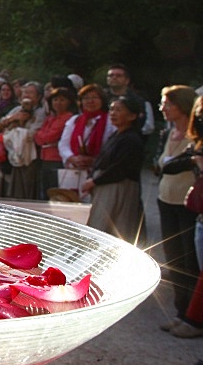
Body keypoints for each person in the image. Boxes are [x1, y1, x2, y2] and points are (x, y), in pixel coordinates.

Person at [154, 85, 200, 331]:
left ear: (181, 105)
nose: (163, 108)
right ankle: (181, 312)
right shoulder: (166, 133)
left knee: (190, 261)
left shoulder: (195, 137)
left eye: (167, 104)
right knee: (174, 259)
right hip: (166, 200)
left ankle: (194, 319)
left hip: (187, 204)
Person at [82, 96, 146, 245]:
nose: (113, 113)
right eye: (111, 109)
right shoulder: (116, 135)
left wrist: (95, 181)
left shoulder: (131, 139)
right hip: (106, 185)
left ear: (132, 116)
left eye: (118, 110)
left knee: (115, 230)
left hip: (119, 187)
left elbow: (121, 167)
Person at [59, 84, 116, 184]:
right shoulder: (75, 120)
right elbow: (63, 144)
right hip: (76, 170)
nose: (90, 101)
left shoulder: (110, 120)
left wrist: (94, 160)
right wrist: (73, 158)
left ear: (102, 100)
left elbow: (113, 146)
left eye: (95, 97)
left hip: (100, 171)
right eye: (86, 98)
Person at [0, 82, 45, 200]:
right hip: (11, 151)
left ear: (38, 96)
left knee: (25, 187)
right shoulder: (17, 109)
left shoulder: (40, 112)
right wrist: (14, 118)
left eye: (30, 92)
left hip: (29, 154)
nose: (26, 95)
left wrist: (17, 131)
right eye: (25, 92)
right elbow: (0, 124)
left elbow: (32, 132)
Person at [34, 86, 77, 195]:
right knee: (45, 191)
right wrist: (41, 136)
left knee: (55, 191)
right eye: (55, 100)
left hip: (57, 159)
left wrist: (41, 136)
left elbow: (49, 137)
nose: (58, 103)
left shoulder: (68, 117)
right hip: (45, 157)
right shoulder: (50, 118)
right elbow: (38, 138)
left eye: (62, 100)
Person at [105, 64, 154, 137]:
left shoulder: (140, 100)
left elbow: (149, 126)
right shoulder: (100, 98)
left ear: (127, 80)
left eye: (118, 76)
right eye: (111, 75)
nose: (114, 77)